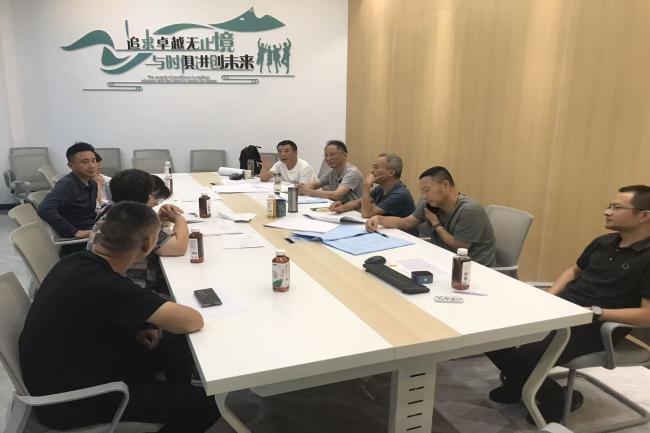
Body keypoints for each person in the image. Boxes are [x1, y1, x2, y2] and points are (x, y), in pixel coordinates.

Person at [19, 201, 221, 433]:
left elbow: (93, 316)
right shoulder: (109, 286)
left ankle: (170, 398)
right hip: (74, 400)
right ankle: (174, 402)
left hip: (63, 371)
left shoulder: (74, 262)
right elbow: (192, 320)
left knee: (173, 344)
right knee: (206, 406)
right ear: (147, 244)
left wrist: (137, 329)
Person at [485, 185, 650, 424]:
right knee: (489, 332)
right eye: (609, 206)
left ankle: (556, 398)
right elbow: (574, 271)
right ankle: (521, 382)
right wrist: (549, 296)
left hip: (596, 324)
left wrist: (598, 312)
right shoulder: (603, 242)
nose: (607, 211)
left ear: (644, 215)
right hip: (563, 309)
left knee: (527, 355)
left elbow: (646, 315)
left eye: (616, 207)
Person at [365, 166, 496, 266]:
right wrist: (379, 219)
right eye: (422, 192)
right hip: (442, 261)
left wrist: (436, 224)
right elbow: (407, 222)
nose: (424, 196)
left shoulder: (469, 210)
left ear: (445, 185)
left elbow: (459, 247)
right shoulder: (429, 204)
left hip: (472, 269)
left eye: (427, 190)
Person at [89, 169, 189, 292]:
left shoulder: (110, 209)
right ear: (147, 196)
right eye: (152, 194)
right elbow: (179, 247)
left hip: (102, 285)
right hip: (132, 290)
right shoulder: (137, 220)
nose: (155, 200)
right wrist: (179, 219)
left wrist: (159, 220)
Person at [37, 142, 98, 239]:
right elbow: (44, 209)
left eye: (93, 161)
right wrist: (74, 231)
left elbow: (88, 214)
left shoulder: (92, 183)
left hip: (93, 231)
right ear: (70, 165)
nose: (92, 166)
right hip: (81, 240)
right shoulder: (66, 185)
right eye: (85, 162)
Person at [330, 153, 415, 219]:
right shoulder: (380, 188)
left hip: (403, 234)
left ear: (391, 172)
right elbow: (359, 202)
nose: (372, 171)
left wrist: (367, 186)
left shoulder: (399, 194)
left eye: (376, 168)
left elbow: (366, 214)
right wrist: (343, 207)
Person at [298, 140, 364, 203]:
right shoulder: (332, 172)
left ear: (344, 155)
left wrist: (309, 192)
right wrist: (302, 188)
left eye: (332, 154)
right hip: (338, 207)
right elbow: (314, 185)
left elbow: (336, 195)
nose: (328, 158)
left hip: (354, 210)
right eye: (326, 155)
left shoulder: (352, 172)